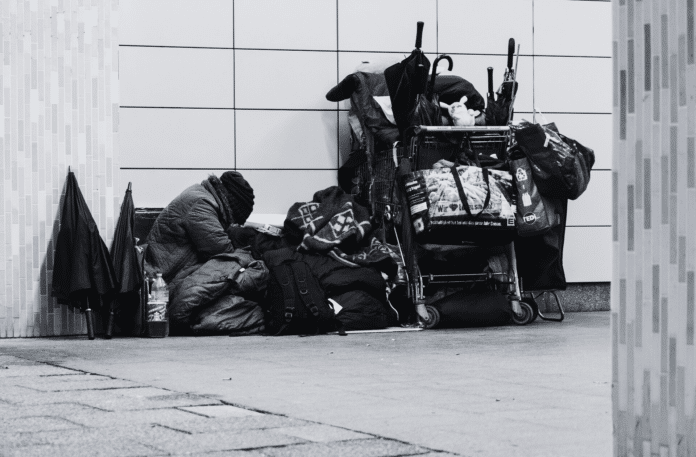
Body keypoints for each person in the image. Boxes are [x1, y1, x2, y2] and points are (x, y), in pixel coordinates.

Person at [144, 171, 267, 335]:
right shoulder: (201, 204)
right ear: (232, 207)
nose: (233, 224)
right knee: (247, 271)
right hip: (167, 285)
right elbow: (226, 256)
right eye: (235, 219)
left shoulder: (201, 196)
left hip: (173, 277)